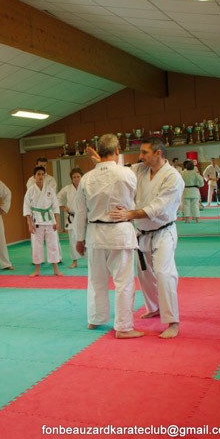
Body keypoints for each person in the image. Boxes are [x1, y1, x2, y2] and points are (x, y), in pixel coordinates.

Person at [107, 137, 184, 339]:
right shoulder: (140, 169)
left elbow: (159, 206)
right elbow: (119, 173)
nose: (140, 156)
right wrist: (102, 161)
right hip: (142, 233)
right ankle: (155, 307)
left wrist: (129, 214)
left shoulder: (173, 177)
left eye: (144, 153)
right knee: (145, 275)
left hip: (163, 232)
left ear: (158, 153)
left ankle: (173, 321)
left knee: (164, 273)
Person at [73, 134, 143, 339]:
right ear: (117, 151)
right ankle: (123, 326)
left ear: (99, 152)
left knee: (96, 280)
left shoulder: (86, 178)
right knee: (123, 282)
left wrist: (79, 239)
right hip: (120, 233)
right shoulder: (127, 174)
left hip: (95, 234)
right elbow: (134, 201)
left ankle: (95, 319)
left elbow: (80, 212)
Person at [23, 166, 62, 277]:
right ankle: (37, 270)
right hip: (37, 221)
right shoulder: (30, 191)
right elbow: (27, 209)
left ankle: (56, 269)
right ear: (34, 177)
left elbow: (55, 206)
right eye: (38, 174)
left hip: (50, 220)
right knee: (36, 246)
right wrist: (29, 224)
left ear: (45, 176)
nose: (40, 176)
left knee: (53, 244)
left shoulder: (50, 189)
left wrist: (57, 221)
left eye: (42, 174)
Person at [57, 167, 84, 268]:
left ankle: (91, 261)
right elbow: (58, 197)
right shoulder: (67, 189)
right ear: (71, 179)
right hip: (72, 217)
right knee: (72, 239)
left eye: (78, 176)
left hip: (84, 217)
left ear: (82, 177)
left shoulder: (86, 187)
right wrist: (63, 207)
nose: (76, 179)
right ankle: (75, 261)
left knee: (88, 239)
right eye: (74, 177)